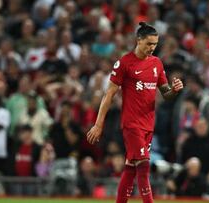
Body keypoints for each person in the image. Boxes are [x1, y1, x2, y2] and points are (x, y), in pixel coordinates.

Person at [86, 22, 184, 203]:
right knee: (144, 164)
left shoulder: (156, 63)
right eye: (148, 44)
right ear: (138, 41)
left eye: (155, 44)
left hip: (148, 124)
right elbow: (108, 95)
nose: (152, 48)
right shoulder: (124, 63)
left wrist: (175, 90)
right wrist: (99, 124)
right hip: (132, 124)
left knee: (131, 167)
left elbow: (166, 93)